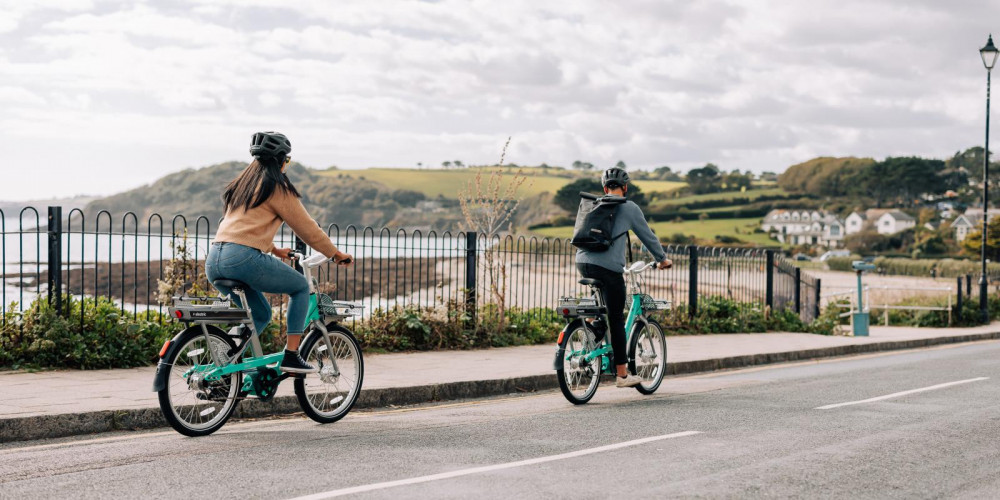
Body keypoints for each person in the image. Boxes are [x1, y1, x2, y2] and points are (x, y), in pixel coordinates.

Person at [207, 131, 353, 373]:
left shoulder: (241, 186)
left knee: (260, 314)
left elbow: (241, 227)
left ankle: (222, 369)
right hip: (243, 258)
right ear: (281, 160)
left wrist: (274, 249)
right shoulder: (276, 187)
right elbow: (307, 229)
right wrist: (335, 254)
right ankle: (291, 355)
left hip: (215, 260)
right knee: (299, 288)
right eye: (287, 159)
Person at [575, 167, 672, 388]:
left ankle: (590, 331)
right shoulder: (629, 208)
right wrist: (662, 259)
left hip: (583, 262)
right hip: (608, 268)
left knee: (600, 306)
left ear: (604, 187)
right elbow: (648, 236)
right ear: (625, 187)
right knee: (616, 317)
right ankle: (622, 374)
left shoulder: (594, 203)